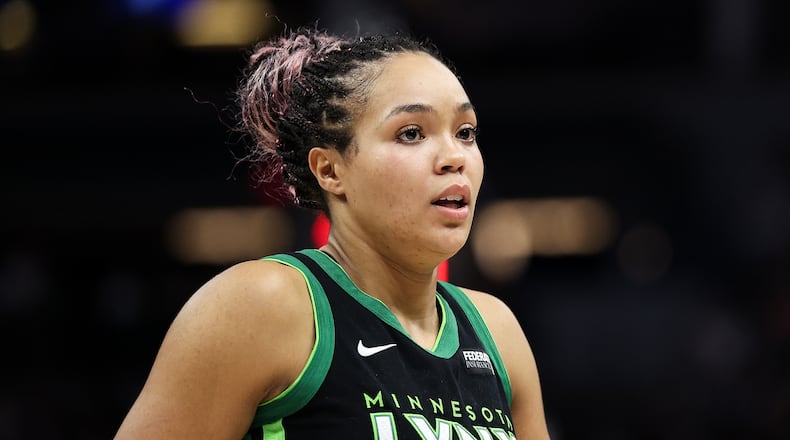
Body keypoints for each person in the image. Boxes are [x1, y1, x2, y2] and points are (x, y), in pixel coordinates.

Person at [113, 25, 551, 440]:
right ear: (330, 169)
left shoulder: (496, 331)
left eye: (466, 132)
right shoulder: (263, 305)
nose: (454, 157)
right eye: (412, 133)